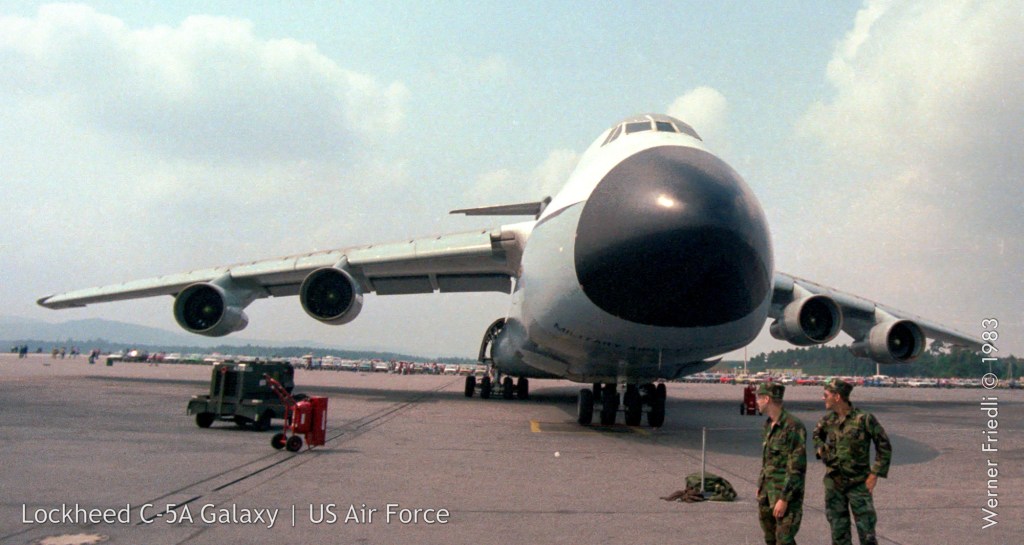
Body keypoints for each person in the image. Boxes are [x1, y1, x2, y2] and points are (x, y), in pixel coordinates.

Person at [814, 378, 892, 545]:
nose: (823, 398)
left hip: (859, 484)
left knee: (867, 535)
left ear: (837, 397)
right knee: (839, 535)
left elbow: (884, 446)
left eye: (826, 395)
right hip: (834, 485)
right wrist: (821, 450)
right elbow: (816, 436)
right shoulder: (827, 421)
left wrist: (874, 474)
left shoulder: (864, 419)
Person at [756, 382, 806, 545]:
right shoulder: (768, 425)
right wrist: (761, 485)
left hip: (785, 495)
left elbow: (797, 467)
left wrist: (784, 499)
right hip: (767, 493)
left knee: (784, 539)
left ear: (767, 399)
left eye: (759, 398)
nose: (757, 402)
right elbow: (768, 460)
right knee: (770, 539)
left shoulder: (793, 426)